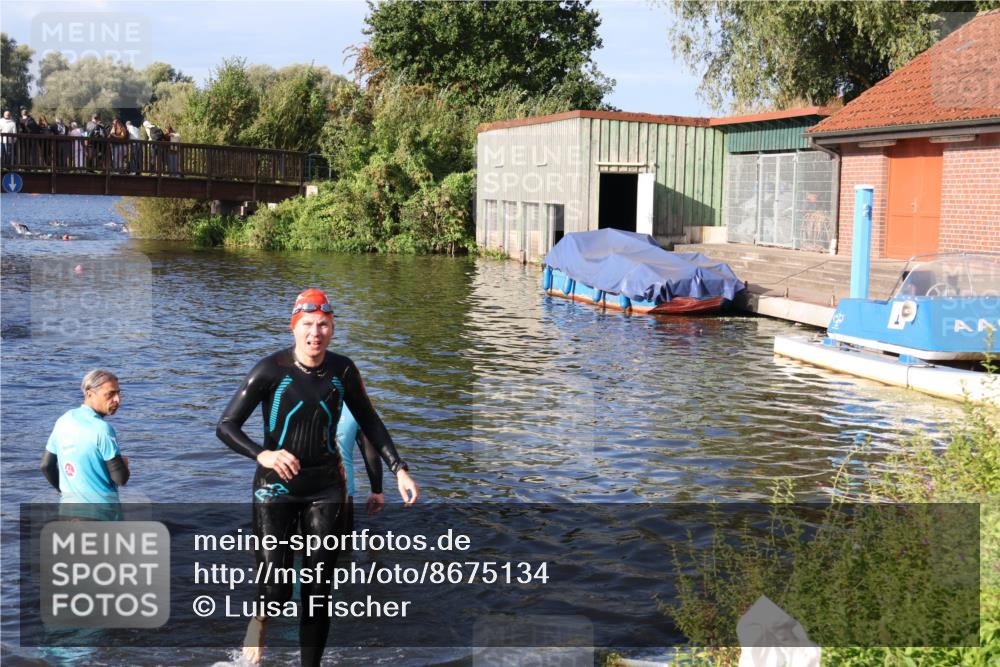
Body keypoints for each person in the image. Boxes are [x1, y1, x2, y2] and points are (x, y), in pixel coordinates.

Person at [216, 288, 419, 666]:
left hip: (326, 486)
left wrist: (399, 470)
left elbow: (370, 420)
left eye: (323, 325)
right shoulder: (271, 370)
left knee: (317, 588)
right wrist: (263, 453)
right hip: (274, 487)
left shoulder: (343, 370)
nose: (316, 333)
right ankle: (259, 620)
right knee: (276, 588)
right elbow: (226, 425)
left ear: (333, 328)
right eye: (308, 324)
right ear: (294, 328)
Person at [40, 369, 130, 504]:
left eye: (118, 393)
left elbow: (46, 466)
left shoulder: (63, 420)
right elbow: (120, 478)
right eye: (110, 394)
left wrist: (65, 493)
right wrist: (124, 465)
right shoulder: (102, 429)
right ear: (89, 394)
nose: (117, 400)